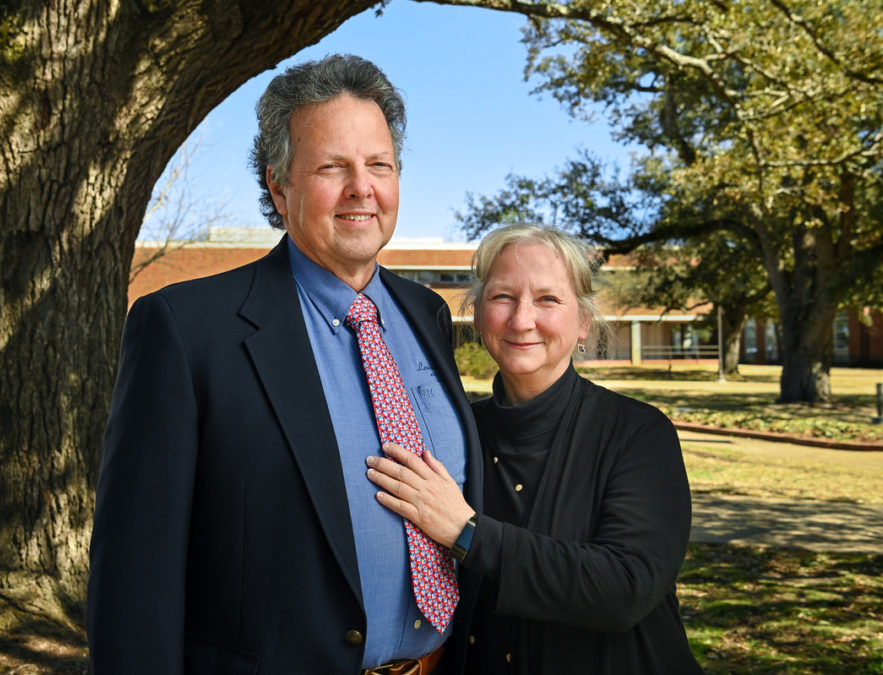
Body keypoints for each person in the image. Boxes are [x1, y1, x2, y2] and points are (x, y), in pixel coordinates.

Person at [87, 54, 482, 674]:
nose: (362, 188)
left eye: (379, 165)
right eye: (333, 167)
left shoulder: (425, 313)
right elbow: (135, 574)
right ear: (278, 185)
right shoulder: (187, 329)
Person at [366, 224, 702, 673]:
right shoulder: (453, 432)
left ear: (583, 321)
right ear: (479, 313)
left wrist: (467, 532)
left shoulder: (638, 433)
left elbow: (626, 587)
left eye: (548, 299)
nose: (522, 319)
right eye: (503, 297)